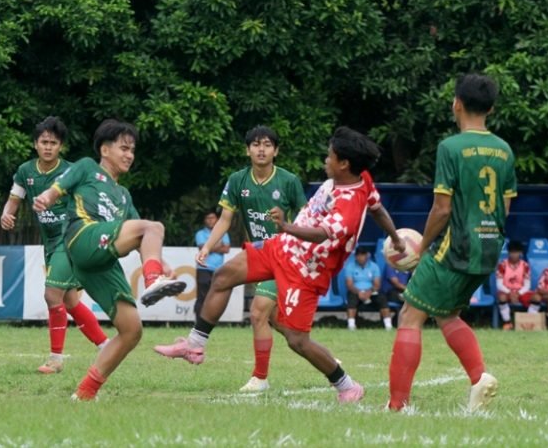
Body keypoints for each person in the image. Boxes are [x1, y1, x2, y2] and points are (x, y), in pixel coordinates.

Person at [154, 127, 404, 403]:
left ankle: (346, 385)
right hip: (282, 247)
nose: (325, 161)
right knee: (224, 275)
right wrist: (396, 239)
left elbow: (322, 233)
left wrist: (285, 225)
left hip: (306, 269)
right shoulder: (362, 178)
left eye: (329, 157)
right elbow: (378, 209)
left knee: (297, 340)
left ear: (344, 164)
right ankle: (194, 345)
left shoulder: (349, 205)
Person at [387, 73, 517, 412]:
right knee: (446, 315)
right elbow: (505, 207)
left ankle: (396, 406)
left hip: (456, 246)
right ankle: (479, 379)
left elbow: (442, 208)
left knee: (410, 315)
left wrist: (421, 246)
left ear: (456, 103)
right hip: (489, 247)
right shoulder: (504, 150)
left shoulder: (451, 148)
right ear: (490, 108)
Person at [32, 119, 186, 400]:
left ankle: (84, 394)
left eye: (132, 150)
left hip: (100, 263)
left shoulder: (124, 196)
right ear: (104, 149)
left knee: (131, 331)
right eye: (124, 148)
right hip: (82, 238)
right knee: (155, 227)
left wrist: (159, 262)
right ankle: (152, 280)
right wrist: (46, 196)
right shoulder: (87, 167)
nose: (129, 155)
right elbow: (58, 188)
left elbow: (140, 236)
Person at [184, 125, 307, 393]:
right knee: (274, 319)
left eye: (267, 144)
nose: (261, 149)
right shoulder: (238, 180)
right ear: (247, 149)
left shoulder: (288, 180)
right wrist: (207, 247)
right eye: (255, 144)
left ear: (276, 150)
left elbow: (306, 220)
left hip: (285, 255)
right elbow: (225, 219)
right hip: (257, 255)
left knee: (258, 310)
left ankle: (260, 378)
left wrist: (300, 245)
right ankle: (322, 357)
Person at [0, 117, 109, 374]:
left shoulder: (72, 172)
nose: (48, 147)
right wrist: (7, 214)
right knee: (69, 300)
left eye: (53, 143)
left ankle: (55, 359)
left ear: (61, 146)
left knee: (51, 295)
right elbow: (14, 199)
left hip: (70, 238)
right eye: (43, 142)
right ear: (35, 144)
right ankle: (105, 345)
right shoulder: (25, 171)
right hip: (49, 242)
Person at [345, 246, 392, 330]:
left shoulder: (374, 266)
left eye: (362, 255)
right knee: (351, 299)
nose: (360, 257)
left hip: (371, 291)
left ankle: (388, 326)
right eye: (358, 255)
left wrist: (369, 292)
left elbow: (377, 284)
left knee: (382, 298)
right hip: (356, 291)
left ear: (367, 255)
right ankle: (351, 325)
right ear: (355, 256)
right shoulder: (350, 266)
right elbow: (349, 284)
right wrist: (359, 292)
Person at [194, 210, 230, 317]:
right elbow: (202, 248)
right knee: (202, 296)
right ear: (204, 220)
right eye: (208, 218)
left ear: (217, 219)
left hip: (218, 269)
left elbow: (226, 249)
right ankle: (198, 320)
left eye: (213, 218)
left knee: (215, 296)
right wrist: (219, 245)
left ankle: (209, 320)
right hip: (203, 268)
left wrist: (209, 247)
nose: (210, 220)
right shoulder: (200, 233)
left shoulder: (224, 232)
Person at [496, 240, 536, 330]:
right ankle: (507, 323)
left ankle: (528, 322)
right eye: (512, 252)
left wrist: (518, 293)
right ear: (509, 253)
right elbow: (499, 284)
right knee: (501, 297)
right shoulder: (502, 265)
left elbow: (527, 285)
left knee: (536, 298)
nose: (514, 255)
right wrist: (510, 293)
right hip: (506, 291)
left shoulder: (525, 265)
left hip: (521, 291)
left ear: (521, 253)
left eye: (516, 252)